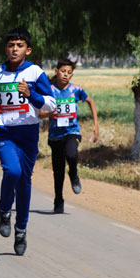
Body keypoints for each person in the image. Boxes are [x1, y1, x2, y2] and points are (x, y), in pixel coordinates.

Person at [0, 27, 55, 256]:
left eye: (19, 46)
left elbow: (51, 105)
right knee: (12, 171)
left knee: (24, 183)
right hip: (4, 132)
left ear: (28, 49)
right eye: (11, 45)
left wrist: (30, 94)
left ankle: (21, 229)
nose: (14, 49)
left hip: (28, 133)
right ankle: (4, 211)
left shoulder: (35, 73)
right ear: (6, 48)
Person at [41, 58, 99, 214]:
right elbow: (39, 113)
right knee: (58, 171)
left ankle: (73, 174)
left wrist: (95, 125)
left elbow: (91, 101)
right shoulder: (49, 90)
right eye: (63, 71)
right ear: (56, 71)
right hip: (55, 136)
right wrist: (49, 113)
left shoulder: (76, 90)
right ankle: (58, 200)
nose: (65, 75)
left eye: (69, 73)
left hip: (72, 131)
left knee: (72, 155)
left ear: (72, 75)